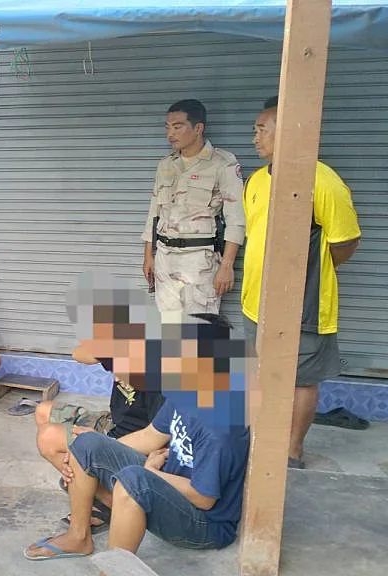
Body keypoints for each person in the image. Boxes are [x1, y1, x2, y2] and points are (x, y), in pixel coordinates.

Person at [24, 313, 251, 561]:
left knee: (135, 480)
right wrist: (99, 452)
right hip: (169, 483)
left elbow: (204, 498)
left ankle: (113, 568)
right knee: (87, 443)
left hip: (204, 523)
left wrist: (153, 473)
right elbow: (151, 436)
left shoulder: (221, 427)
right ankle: (79, 538)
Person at [242, 95, 361, 469]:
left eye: (262, 129)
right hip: (255, 300)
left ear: (289, 131)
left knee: (302, 378)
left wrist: (307, 273)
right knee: (260, 371)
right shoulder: (256, 181)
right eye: (255, 129)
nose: (255, 137)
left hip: (306, 303)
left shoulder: (322, 181)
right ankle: (262, 440)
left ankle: (292, 450)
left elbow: (345, 242)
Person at [34, 302, 166, 533]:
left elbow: (156, 440)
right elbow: (79, 354)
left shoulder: (159, 376)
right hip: (113, 425)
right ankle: (90, 485)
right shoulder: (120, 350)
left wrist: (98, 445)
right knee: (43, 411)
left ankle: (111, 503)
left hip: (136, 443)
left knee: (49, 438)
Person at [142, 99, 246, 316]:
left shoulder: (222, 163)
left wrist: (227, 265)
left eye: (177, 127)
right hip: (164, 258)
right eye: (167, 127)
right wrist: (148, 255)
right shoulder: (166, 165)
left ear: (198, 128)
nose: (170, 134)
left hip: (199, 262)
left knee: (200, 327)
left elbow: (236, 219)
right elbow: (154, 213)